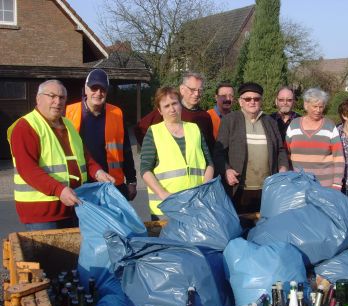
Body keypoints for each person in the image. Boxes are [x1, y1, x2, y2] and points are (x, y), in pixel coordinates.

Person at [7, 80, 115, 230]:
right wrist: (59, 190)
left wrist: (97, 171)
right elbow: (28, 169)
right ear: (38, 99)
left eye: (62, 97)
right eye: (52, 96)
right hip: (42, 214)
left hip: (72, 206)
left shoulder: (68, 124)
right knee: (50, 254)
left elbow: (84, 155)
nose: (57, 102)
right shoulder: (25, 127)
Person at [214, 82, 288, 213]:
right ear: (240, 102)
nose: (252, 102)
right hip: (239, 188)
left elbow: (281, 150)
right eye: (247, 99)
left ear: (261, 101)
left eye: (256, 99)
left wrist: (283, 167)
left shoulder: (270, 122)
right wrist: (226, 170)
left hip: (267, 188)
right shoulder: (230, 121)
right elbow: (219, 153)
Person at [140, 87, 214, 219]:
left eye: (174, 103)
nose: (172, 109)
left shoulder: (194, 129)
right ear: (160, 110)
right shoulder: (154, 132)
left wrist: (203, 190)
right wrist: (163, 195)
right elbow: (145, 170)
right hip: (166, 208)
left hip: (196, 205)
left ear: (180, 104)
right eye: (166, 106)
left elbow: (209, 163)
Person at [65, 68, 138, 201]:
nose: (98, 93)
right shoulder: (68, 113)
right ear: (86, 89)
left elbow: (126, 150)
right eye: (94, 88)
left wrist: (132, 180)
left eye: (102, 89)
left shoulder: (117, 113)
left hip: (112, 184)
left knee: (113, 222)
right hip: (80, 185)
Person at [134, 72, 215, 151]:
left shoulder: (205, 116)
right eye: (192, 90)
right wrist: (154, 153)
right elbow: (140, 129)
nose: (197, 94)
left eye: (200, 90)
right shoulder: (169, 111)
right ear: (182, 89)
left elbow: (210, 146)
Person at [285, 88, 345, 189]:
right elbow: (286, 153)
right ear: (306, 105)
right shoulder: (294, 125)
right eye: (315, 106)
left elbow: (338, 158)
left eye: (321, 107)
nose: (318, 110)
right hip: (298, 185)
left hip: (325, 186)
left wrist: (337, 184)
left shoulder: (329, 126)